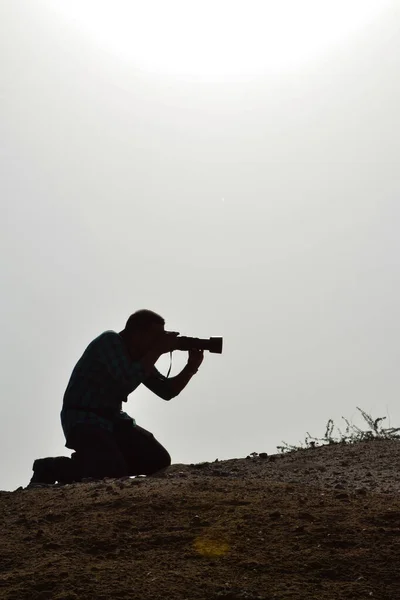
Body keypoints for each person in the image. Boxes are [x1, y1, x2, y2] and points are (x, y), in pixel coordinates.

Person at [30, 309, 204, 484]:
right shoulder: (110, 341)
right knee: (112, 470)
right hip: (83, 419)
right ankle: (53, 467)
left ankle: (93, 463)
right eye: (155, 336)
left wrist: (191, 367)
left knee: (158, 460)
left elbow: (166, 391)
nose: (158, 342)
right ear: (137, 333)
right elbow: (126, 381)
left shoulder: (140, 356)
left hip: (112, 421)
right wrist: (157, 351)